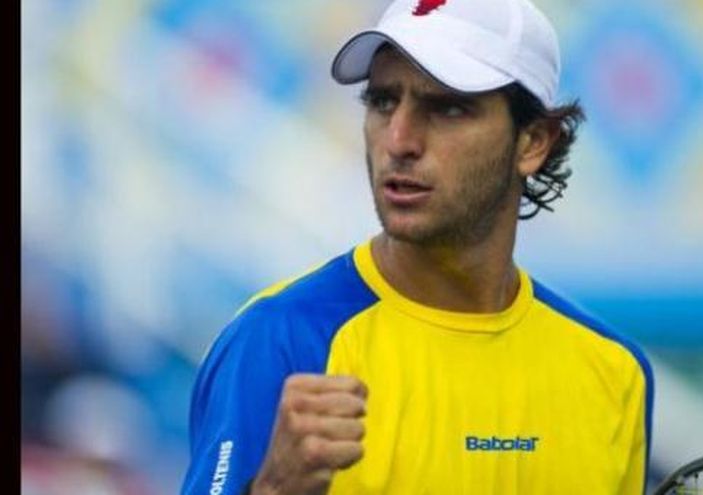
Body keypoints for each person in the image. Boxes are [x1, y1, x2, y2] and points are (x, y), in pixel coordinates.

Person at [181, 0, 654, 493]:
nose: (399, 140)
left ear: (533, 141)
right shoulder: (276, 337)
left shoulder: (614, 371)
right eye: (383, 102)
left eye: (447, 108)